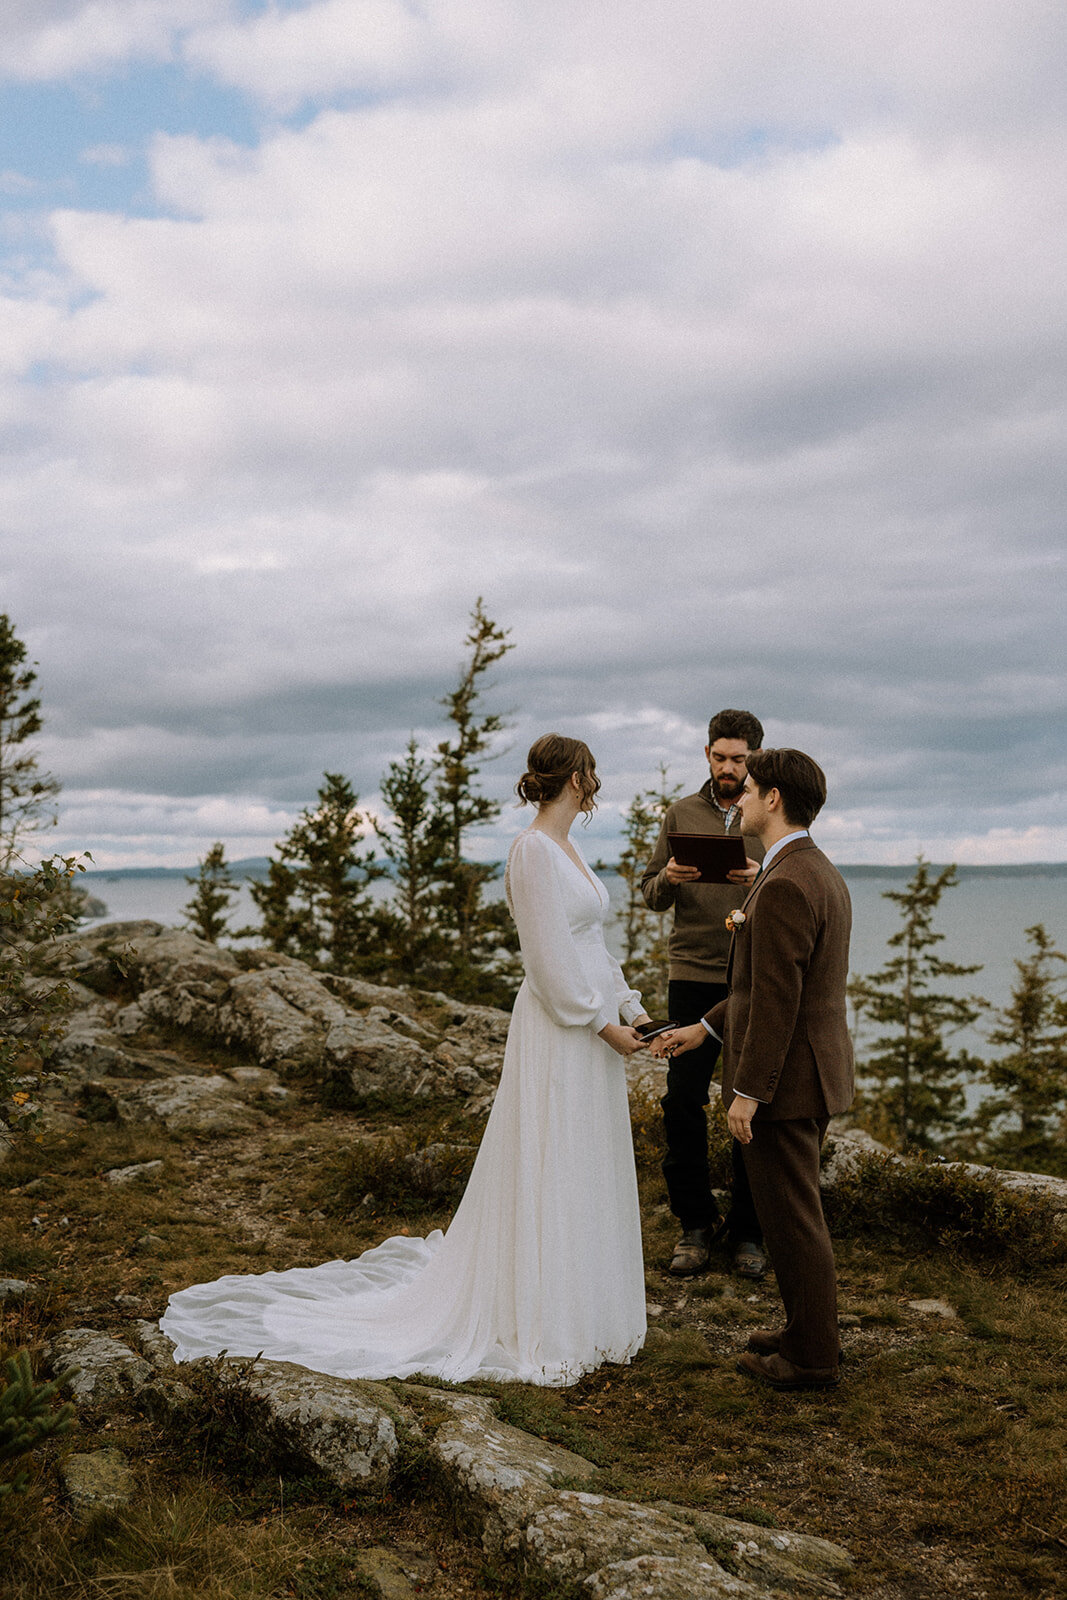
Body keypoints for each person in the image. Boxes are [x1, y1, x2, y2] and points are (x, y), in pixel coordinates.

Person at [160, 734, 651, 1388]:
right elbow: (547, 960)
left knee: (584, 1158)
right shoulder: (531, 850)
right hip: (562, 1029)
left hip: (593, 1024)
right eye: (590, 769)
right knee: (552, 1156)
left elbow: (592, 944)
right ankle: (542, 1316)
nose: (596, 780)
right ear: (571, 777)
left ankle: (585, 1308)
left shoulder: (569, 848)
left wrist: (630, 1007)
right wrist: (597, 1022)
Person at [653, 749, 853, 1391]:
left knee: (793, 1220)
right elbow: (753, 987)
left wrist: (745, 1094)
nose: (737, 798)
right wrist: (704, 1027)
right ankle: (803, 1330)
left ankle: (812, 1359)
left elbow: (776, 1003)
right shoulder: (807, 868)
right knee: (791, 1212)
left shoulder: (789, 881)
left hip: (787, 1083)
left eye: (751, 789)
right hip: (802, 1076)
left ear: (773, 799)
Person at [641, 708, 766, 1279]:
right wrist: (668, 877)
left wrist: (756, 877)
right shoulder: (681, 812)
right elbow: (649, 895)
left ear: (754, 760)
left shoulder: (768, 812)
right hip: (691, 974)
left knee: (752, 1105)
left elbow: (791, 882)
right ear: (708, 755)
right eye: (719, 757)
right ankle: (695, 1224)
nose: (727, 767)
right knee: (681, 1102)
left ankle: (748, 1233)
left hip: (749, 976)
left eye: (738, 759)